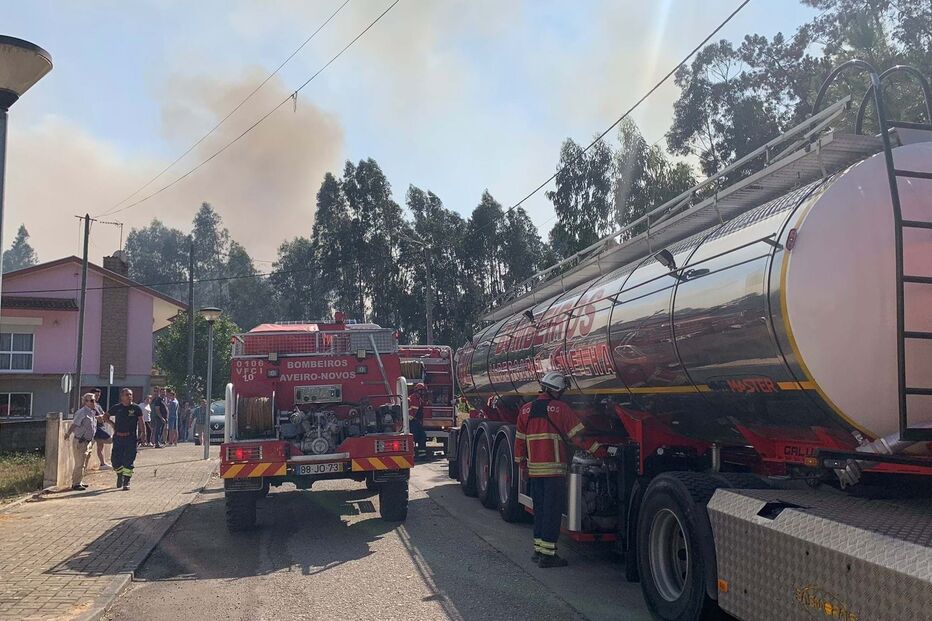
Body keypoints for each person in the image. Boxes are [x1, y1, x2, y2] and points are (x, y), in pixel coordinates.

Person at [514, 371, 604, 568]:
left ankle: (538, 551)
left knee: (539, 511)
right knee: (552, 513)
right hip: (554, 472)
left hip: (534, 471)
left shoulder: (525, 410)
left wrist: (522, 464)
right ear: (557, 390)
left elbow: (519, 441)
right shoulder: (561, 409)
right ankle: (548, 556)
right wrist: (600, 452)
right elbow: (579, 438)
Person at [102, 388, 146, 490]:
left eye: (130, 394)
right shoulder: (117, 408)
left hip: (130, 438)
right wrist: (112, 424)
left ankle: (126, 482)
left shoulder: (136, 408)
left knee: (129, 461)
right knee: (115, 461)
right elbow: (105, 416)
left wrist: (143, 433)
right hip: (118, 437)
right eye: (127, 395)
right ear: (122, 397)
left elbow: (141, 421)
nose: (129, 396)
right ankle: (120, 474)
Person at [63, 393, 99, 490]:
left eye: (94, 400)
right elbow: (74, 424)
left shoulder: (92, 412)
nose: (93, 402)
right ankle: (76, 483)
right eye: (91, 400)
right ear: (85, 402)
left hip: (88, 441)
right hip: (80, 441)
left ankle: (80, 480)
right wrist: (68, 434)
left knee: (85, 462)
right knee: (80, 463)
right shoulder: (82, 412)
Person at [91, 388, 112, 469]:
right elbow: (88, 416)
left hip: (102, 425)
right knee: (110, 440)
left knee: (100, 447)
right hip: (96, 427)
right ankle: (95, 439)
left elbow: (103, 414)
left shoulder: (98, 405)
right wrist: (97, 417)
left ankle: (102, 464)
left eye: (98, 395)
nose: (97, 397)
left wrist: (103, 416)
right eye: (96, 395)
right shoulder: (90, 405)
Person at [408, 383, 429, 459]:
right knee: (414, 438)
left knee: (422, 436)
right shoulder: (412, 398)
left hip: (416, 422)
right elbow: (411, 413)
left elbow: (423, 405)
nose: (423, 393)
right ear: (418, 391)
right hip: (412, 422)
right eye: (422, 391)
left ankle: (422, 455)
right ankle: (412, 456)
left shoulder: (418, 399)